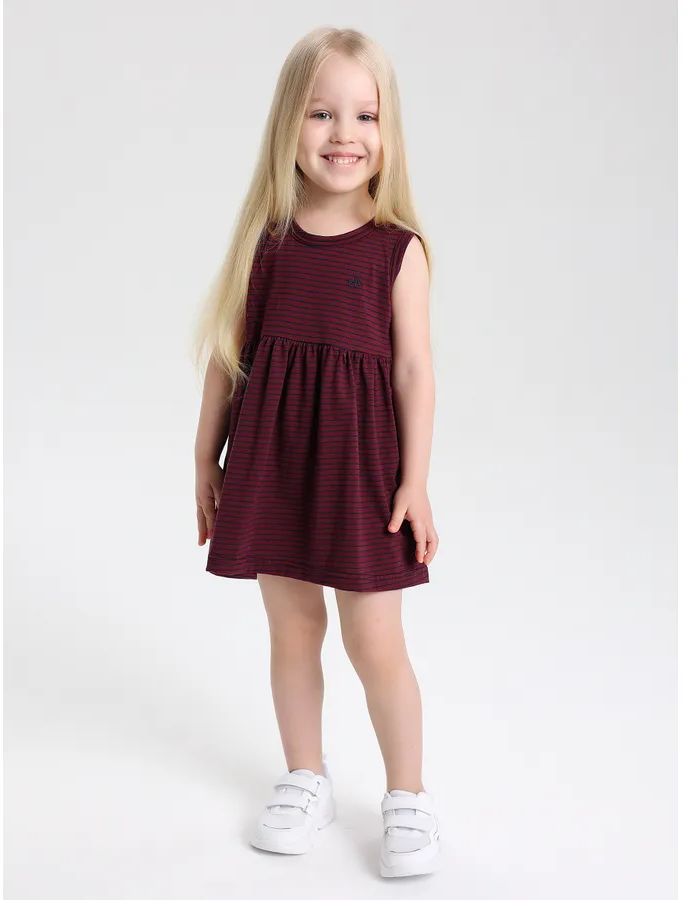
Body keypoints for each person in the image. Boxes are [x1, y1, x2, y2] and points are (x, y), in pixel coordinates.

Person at [193, 26, 441, 878]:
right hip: (274, 467)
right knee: (293, 629)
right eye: (321, 113)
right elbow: (228, 357)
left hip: (361, 473)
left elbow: (414, 371)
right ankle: (306, 776)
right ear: (287, 125)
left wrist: (416, 480)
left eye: (364, 115)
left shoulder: (397, 250)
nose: (344, 134)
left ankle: (407, 795)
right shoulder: (266, 242)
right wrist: (206, 459)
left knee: (375, 640)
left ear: (387, 130)